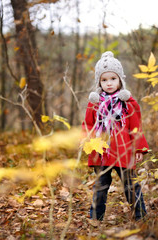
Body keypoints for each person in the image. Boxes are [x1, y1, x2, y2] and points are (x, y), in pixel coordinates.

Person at [82, 51, 149, 222]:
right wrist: (87, 141)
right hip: (101, 150)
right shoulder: (95, 103)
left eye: (113, 79)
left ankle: (140, 216)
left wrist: (139, 148)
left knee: (131, 184)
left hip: (123, 150)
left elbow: (136, 126)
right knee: (100, 185)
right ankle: (96, 218)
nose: (109, 83)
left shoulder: (128, 103)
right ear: (99, 82)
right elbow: (88, 125)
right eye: (104, 80)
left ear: (120, 80)